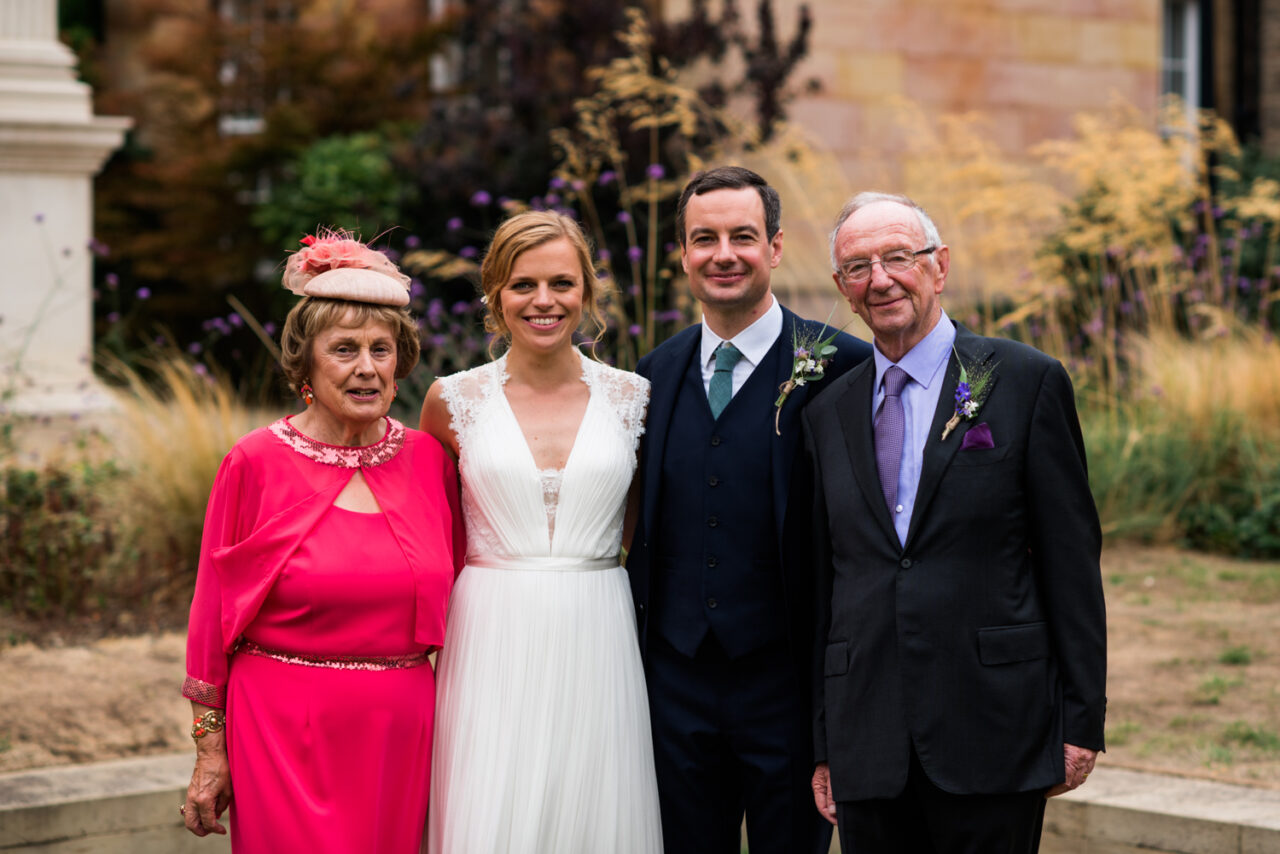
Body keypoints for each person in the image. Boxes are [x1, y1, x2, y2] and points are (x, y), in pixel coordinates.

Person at [804, 192, 1107, 853]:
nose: (879, 279)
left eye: (897, 257)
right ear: (843, 290)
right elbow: (832, 581)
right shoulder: (827, 412)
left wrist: (1081, 718)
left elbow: (1071, 559)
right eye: (858, 267)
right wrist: (826, 742)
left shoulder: (1024, 381)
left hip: (993, 724)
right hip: (869, 737)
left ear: (939, 266)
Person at [181, 231, 464, 852]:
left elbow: (467, 587)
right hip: (280, 727)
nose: (366, 366)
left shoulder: (430, 461)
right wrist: (210, 749)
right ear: (304, 365)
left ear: (401, 361)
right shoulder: (253, 462)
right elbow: (209, 615)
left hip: (400, 730)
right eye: (343, 349)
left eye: (381, 349)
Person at [626, 166, 872, 854]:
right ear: (683, 254)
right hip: (675, 687)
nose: (723, 254)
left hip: (787, 689)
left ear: (776, 247)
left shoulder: (843, 368)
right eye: (705, 239)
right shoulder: (652, 375)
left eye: (743, 236)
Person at [420, 210, 663, 854]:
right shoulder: (451, 400)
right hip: (489, 631)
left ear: (586, 290)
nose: (544, 301)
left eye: (561, 282)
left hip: (598, 626)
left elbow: (638, 525)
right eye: (523, 284)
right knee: (491, 807)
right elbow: (427, 538)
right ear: (495, 294)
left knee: (594, 810)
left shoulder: (634, 398)